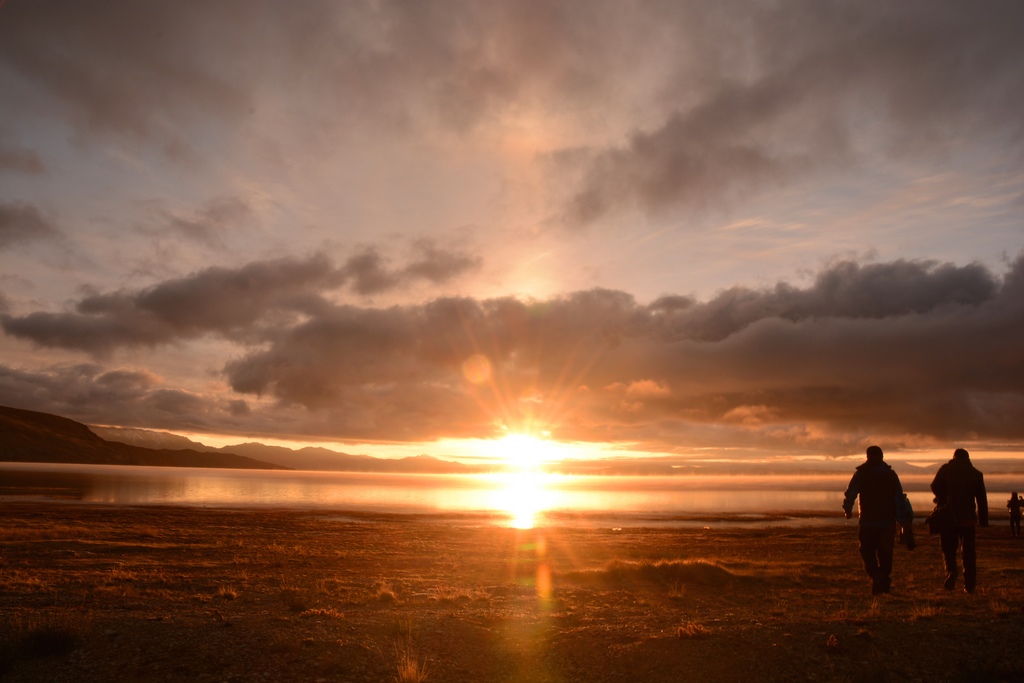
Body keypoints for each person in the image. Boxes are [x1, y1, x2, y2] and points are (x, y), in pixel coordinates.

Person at [843, 445, 907, 595]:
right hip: (887, 522)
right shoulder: (890, 475)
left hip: (867, 521)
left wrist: (847, 510)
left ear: (867, 456)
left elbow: (851, 493)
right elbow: (899, 498)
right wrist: (902, 519)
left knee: (866, 551)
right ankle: (884, 581)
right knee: (885, 553)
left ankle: (876, 576)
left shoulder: (861, 474)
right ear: (881, 456)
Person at [930, 448, 988, 593]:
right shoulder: (976, 474)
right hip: (968, 519)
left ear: (954, 457)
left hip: (948, 517)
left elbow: (934, 485)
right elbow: (981, 499)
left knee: (948, 549)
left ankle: (951, 571)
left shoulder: (946, 469)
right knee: (968, 552)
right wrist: (983, 520)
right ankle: (969, 585)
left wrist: (942, 497)